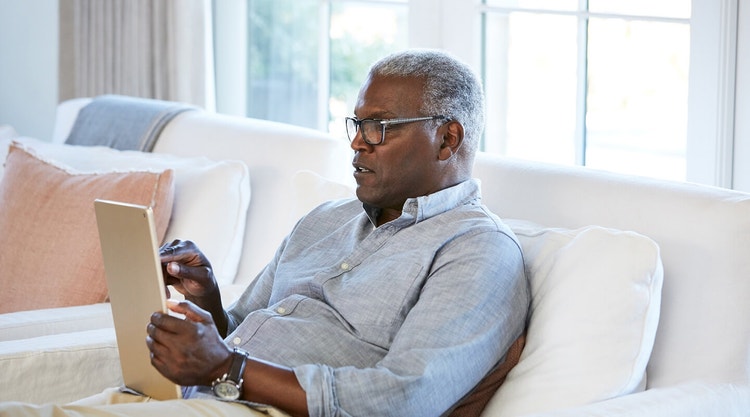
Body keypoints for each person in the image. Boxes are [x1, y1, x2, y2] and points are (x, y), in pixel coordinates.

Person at [0, 49, 529, 417]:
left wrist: (228, 365)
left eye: (379, 128)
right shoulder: (325, 220)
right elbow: (238, 330)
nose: (358, 145)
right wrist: (207, 301)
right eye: (356, 125)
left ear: (447, 138)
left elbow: (404, 400)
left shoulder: (476, 251)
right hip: (186, 397)